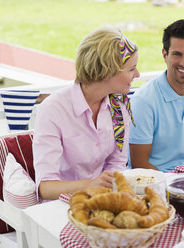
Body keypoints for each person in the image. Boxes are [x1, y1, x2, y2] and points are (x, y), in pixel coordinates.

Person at [33, 25, 140, 200]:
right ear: (107, 71)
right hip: (60, 205)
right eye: (131, 69)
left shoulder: (120, 108)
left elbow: (116, 164)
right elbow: (45, 187)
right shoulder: (53, 110)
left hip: (101, 199)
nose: (137, 74)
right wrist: (90, 185)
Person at [129, 19, 184, 172]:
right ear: (165, 55)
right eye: (177, 54)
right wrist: (176, 185)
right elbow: (140, 165)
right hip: (150, 183)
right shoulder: (143, 100)